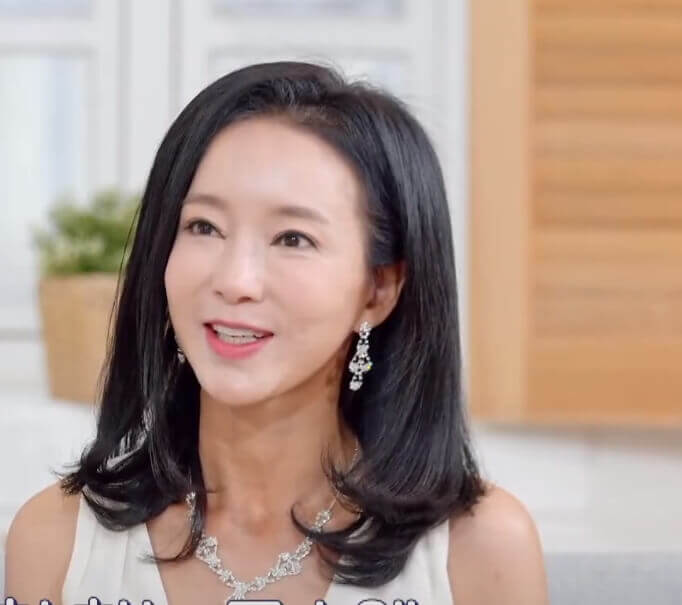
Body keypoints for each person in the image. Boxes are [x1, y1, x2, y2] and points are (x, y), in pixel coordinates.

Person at [5, 61, 548, 605]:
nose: (235, 280)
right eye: (203, 227)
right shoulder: (56, 542)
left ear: (378, 290)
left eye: (292, 238)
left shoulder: (480, 552)